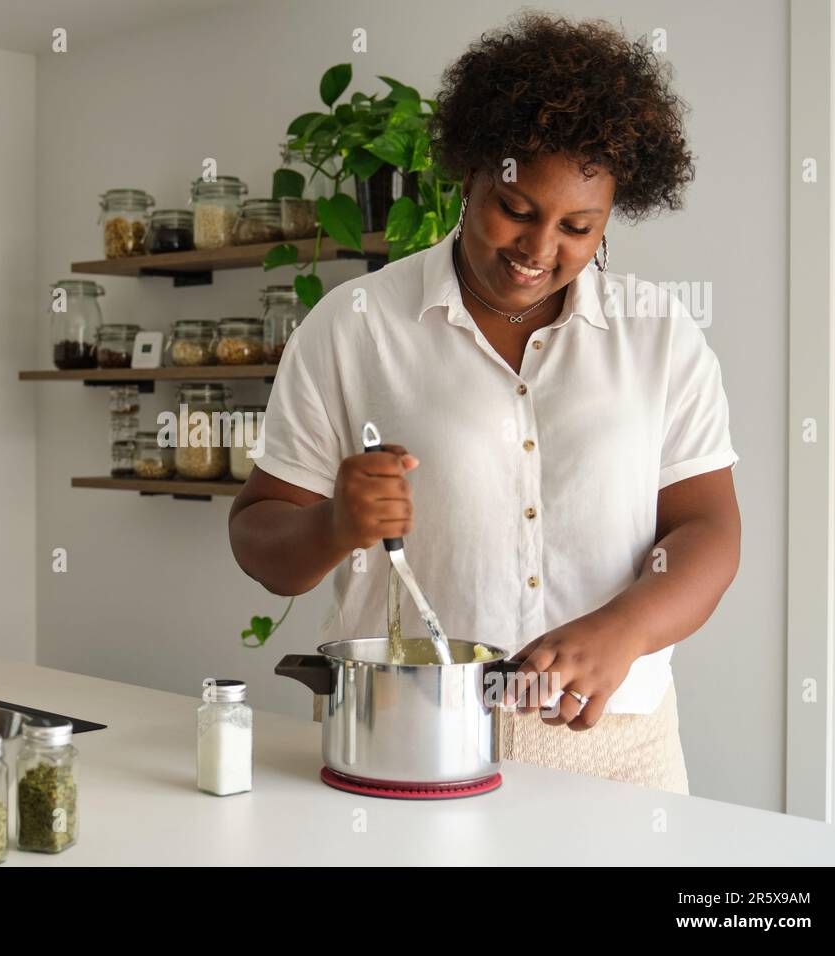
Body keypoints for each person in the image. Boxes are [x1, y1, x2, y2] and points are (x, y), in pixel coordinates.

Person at [227, 12, 740, 795]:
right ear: (467, 173)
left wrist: (623, 629)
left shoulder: (659, 335)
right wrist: (334, 523)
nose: (539, 251)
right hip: (400, 734)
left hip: (619, 749)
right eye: (516, 208)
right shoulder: (355, 326)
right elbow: (259, 538)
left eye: (578, 226)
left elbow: (707, 528)